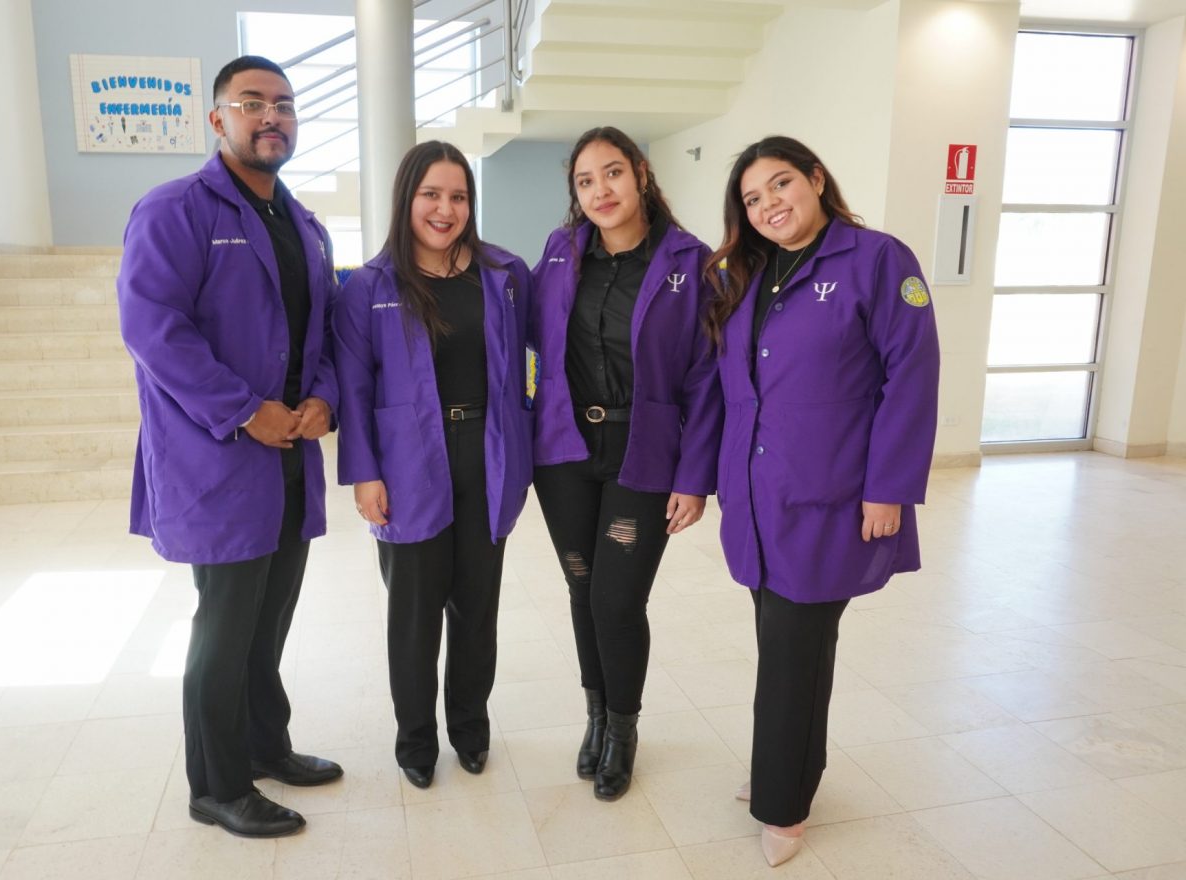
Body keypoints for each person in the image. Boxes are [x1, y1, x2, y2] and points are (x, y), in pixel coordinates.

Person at [118, 55, 344, 839]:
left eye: (284, 104)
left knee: (268, 619)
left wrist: (324, 398)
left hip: (289, 455)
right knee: (224, 626)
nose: (271, 116)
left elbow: (325, 331)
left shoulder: (304, 225)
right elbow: (152, 328)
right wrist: (245, 411)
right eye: (252, 103)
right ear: (217, 119)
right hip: (218, 457)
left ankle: (264, 745)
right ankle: (216, 786)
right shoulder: (174, 210)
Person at [704, 135, 939, 867]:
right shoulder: (747, 274)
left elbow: (912, 374)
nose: (769, 204)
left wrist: (889, 489)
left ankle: (784, 806)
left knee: (795, 650)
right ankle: (783, 766)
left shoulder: (877, 260)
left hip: (830, 493)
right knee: (781, 642)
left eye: (780, 184)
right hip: (758, 493)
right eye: (752, 198)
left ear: (815, 179)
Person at [530, 127, 722, 801]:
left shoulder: (690, 263)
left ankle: (623, 729)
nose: (600, 190)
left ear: (641, 174)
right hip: (563, 453)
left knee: (616, 599)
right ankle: (595, 715)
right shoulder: (560, 253)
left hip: (642, 454)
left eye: (612, 173)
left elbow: (706, 379)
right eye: (585, 181)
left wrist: (694, 478)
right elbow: (522, 329)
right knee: (582, 589)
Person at [334, 141, 533, 789]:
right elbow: (353, 388)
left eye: (458, 196)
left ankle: (470, 730)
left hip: (487, 453)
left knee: (476, 609)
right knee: (414, 615)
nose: (446, 209)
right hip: (407, 463)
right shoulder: (369, 287)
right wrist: (365, 473)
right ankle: (415, 741)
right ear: (407, 199)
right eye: (431, 195)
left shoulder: (504, 275)